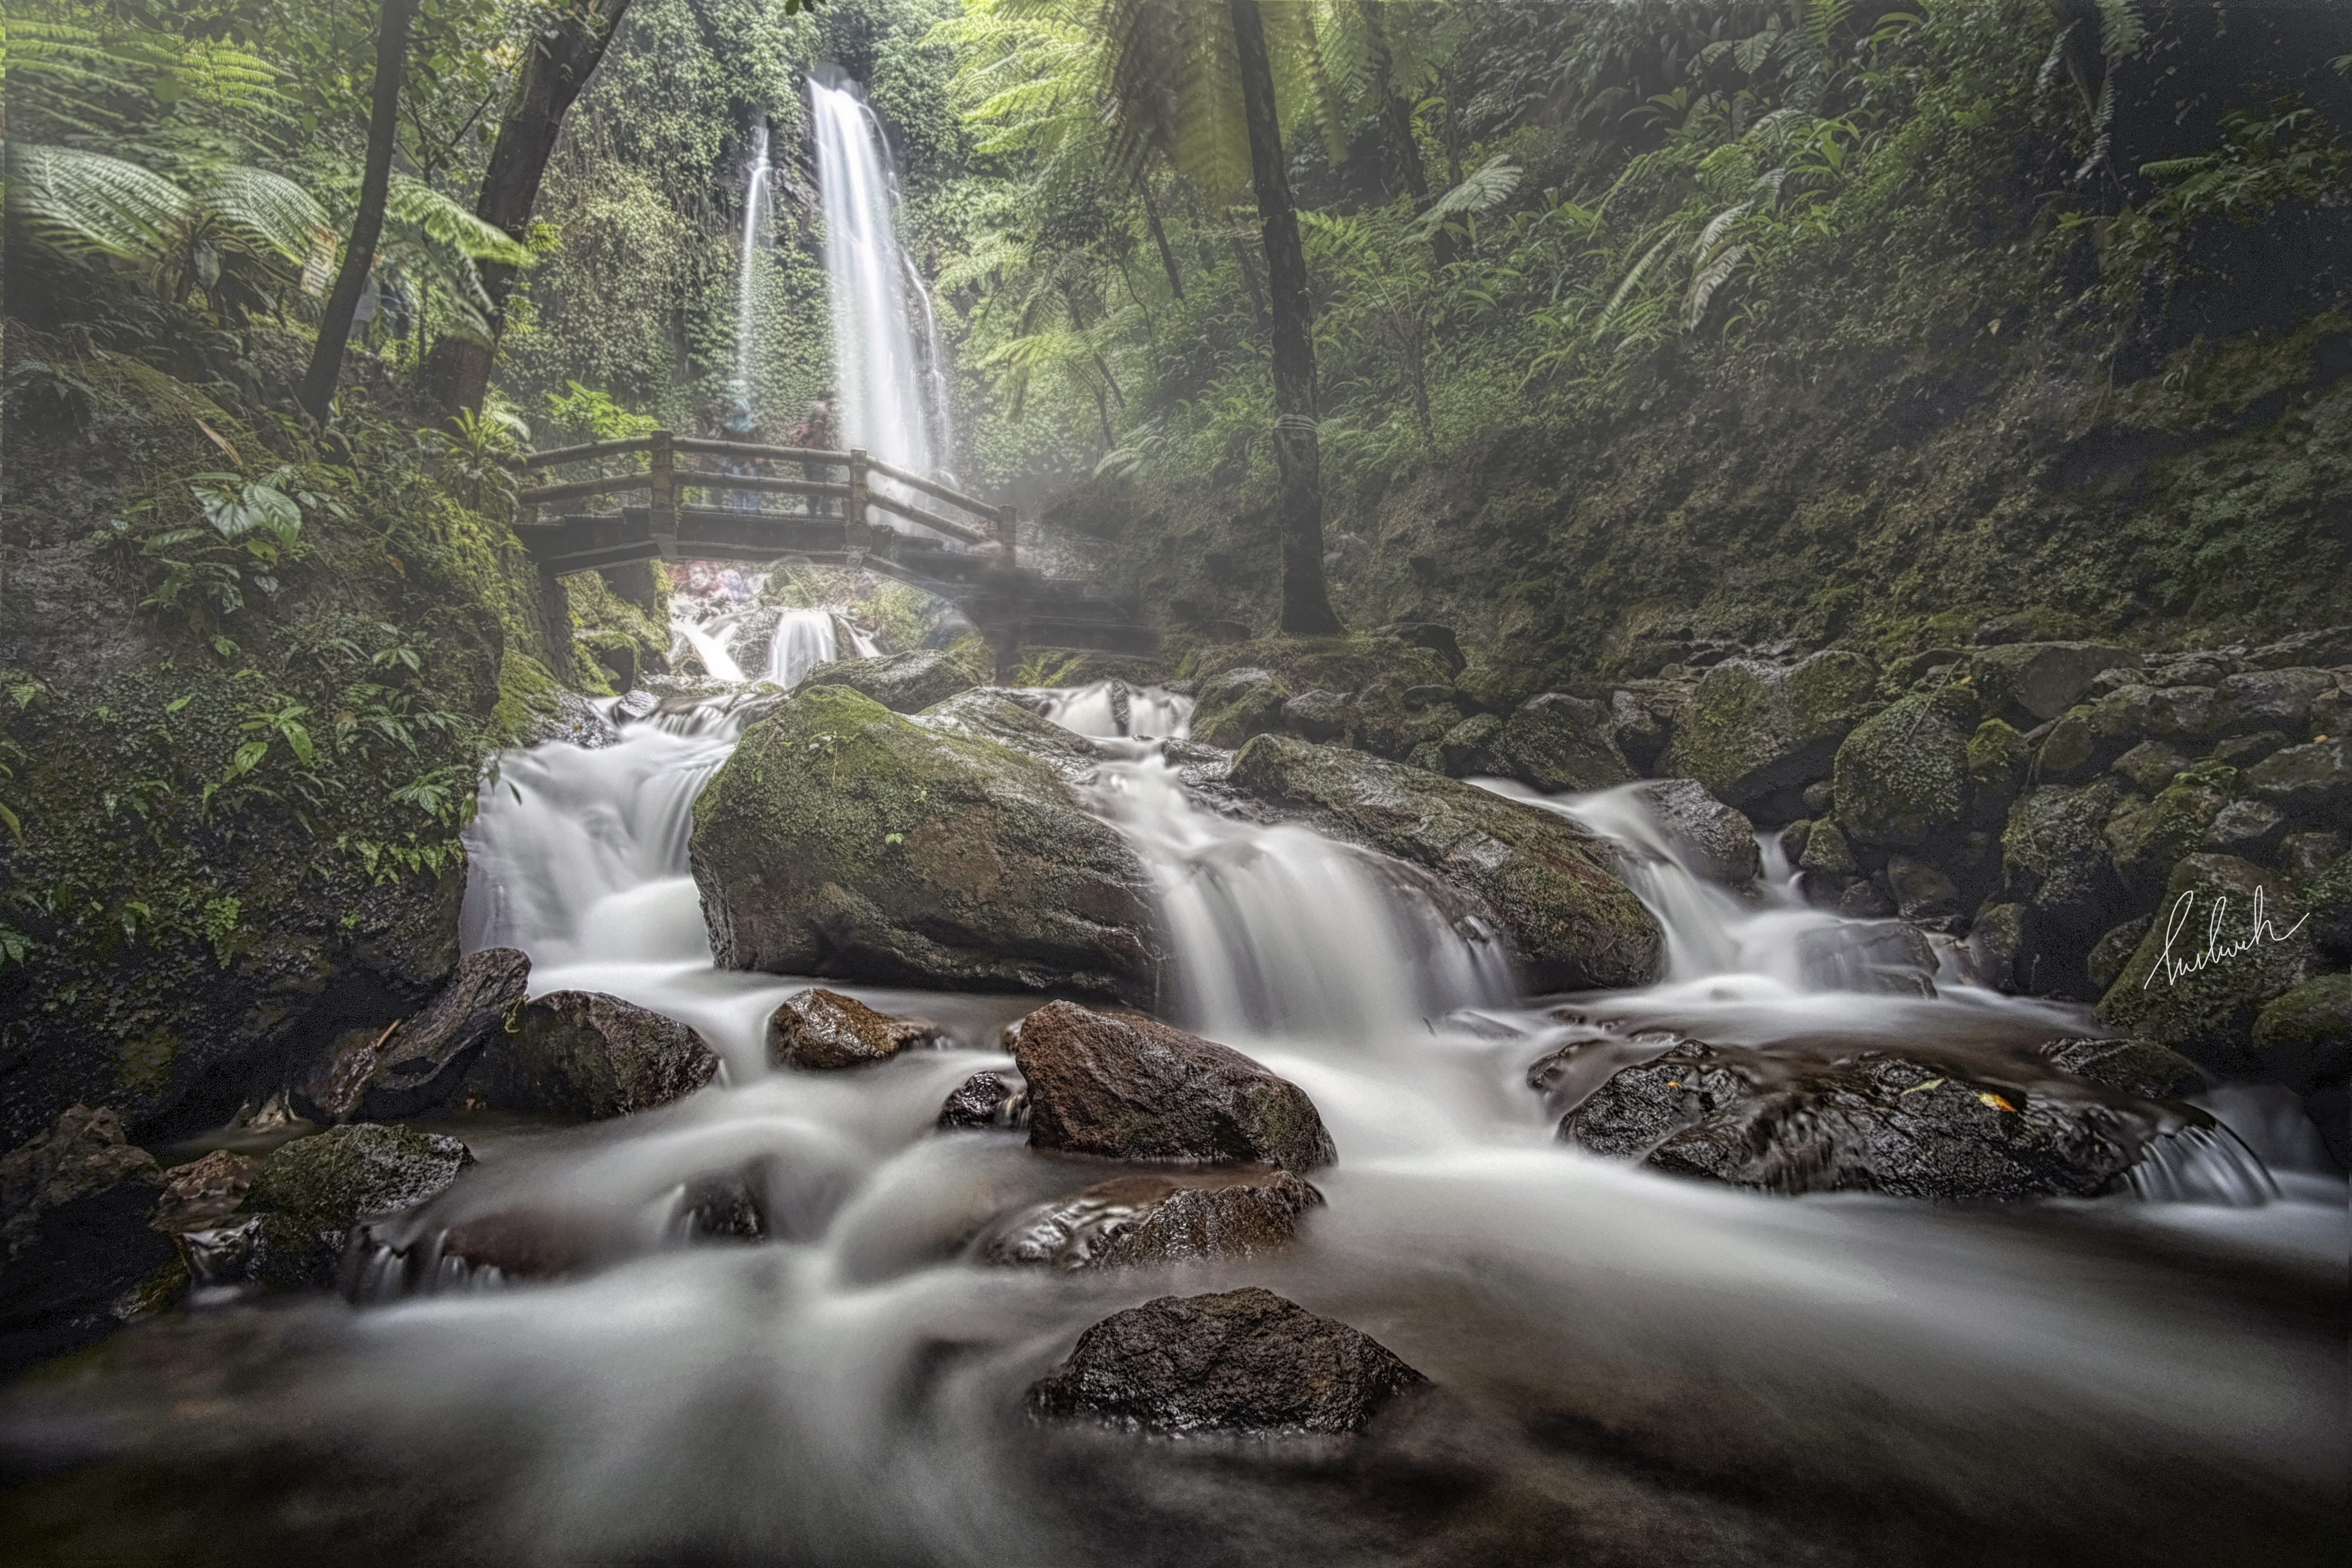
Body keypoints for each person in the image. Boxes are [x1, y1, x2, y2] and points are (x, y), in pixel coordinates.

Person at [790, 390, 838, 517]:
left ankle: (812, 516)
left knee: (813, 485)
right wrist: (822, 452)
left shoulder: (813, 409)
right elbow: (818, 432)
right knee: (824, 487)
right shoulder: (821, 410)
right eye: (832, 401)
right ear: (827, 399)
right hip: (817, 454)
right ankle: (825, 517)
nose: (834, 404)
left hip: (809, 454)